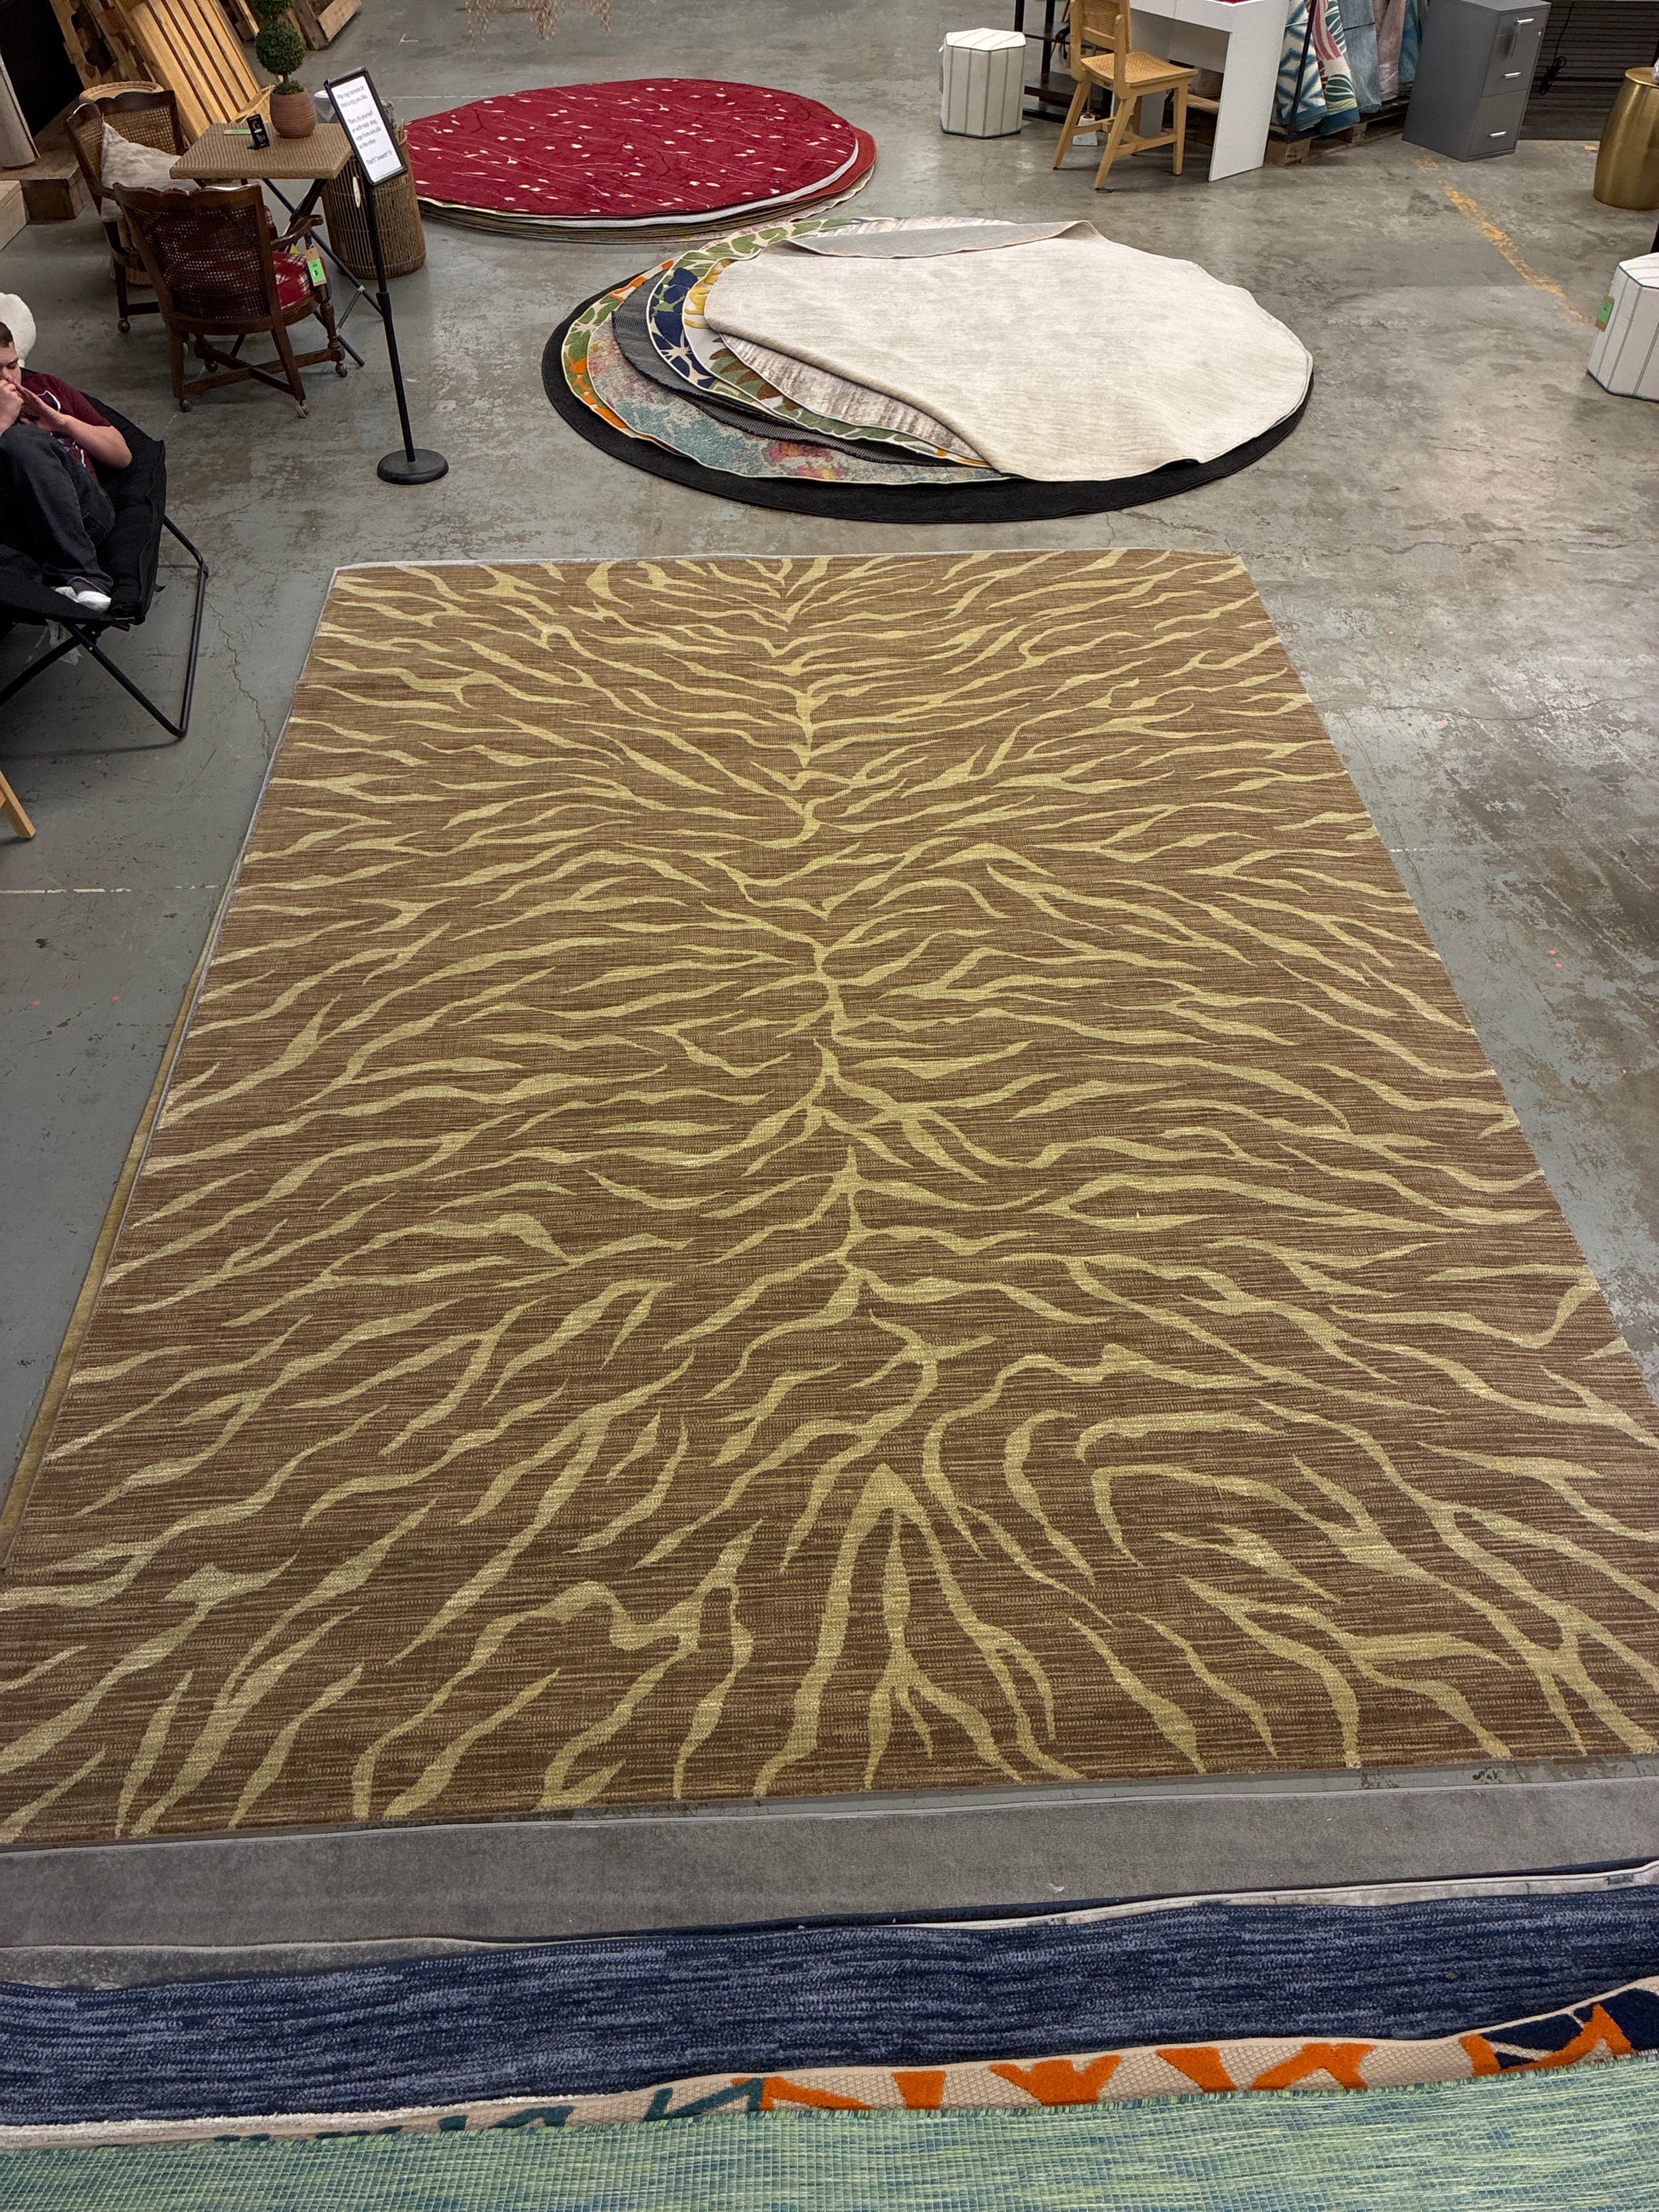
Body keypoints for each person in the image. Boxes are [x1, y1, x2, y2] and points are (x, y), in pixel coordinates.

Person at [0, 320, 131, 615]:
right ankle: (52, 592)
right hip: (19, 537)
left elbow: (122, 456)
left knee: (22, 440)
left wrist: (62, 423)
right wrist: (2, 423)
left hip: (82, 517)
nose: (8, 379)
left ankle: (84, 575)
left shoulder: (46, 389)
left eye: (13, 365)